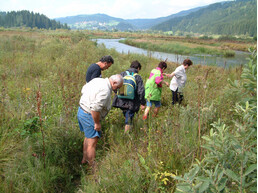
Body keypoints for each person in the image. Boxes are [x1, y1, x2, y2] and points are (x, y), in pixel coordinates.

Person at [77, 74, 123, 167]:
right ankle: (92, 168)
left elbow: (83, 89)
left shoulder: (98, 80)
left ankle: (84, 160)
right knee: (92, 143)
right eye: (117, 87)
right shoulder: (105, 90)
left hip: (81, 110)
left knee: (88, 137)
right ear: (113, 82)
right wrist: (97, 123)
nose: (116, 90)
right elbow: (95, 108)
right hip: (89, 115)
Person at [112, 60, 146, 133]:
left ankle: (126, 127)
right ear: (138, 68)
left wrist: (116, 94)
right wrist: (143, 103)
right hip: (132, 101)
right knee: (129, 117)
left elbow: (115, 84)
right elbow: (141, 91)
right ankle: (126, 135)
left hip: (121, 100)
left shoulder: (122, 74)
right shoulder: (137, 77)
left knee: (126, 113)